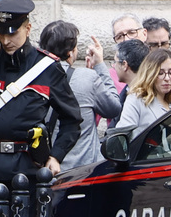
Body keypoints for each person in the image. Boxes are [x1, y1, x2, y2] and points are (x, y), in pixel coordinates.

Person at [0, 0, 82, 196]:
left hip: (27, 167)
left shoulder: (46, 67)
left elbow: (72, 120)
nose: (6, 40)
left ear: (27, 29)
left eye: (13, 33)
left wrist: (56, 156)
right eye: (1, 34)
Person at [40, 20, 122, 170]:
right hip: (82, 171)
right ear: (70, 52)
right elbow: (113, 108)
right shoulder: (87, 78)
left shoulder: (35, 79)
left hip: (46, 170)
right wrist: (99, 66)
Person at [119, 48, 171, 136]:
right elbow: (123, 136)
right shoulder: (136, 99)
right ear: (150, 74)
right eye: (160, 73)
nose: (167, 78)